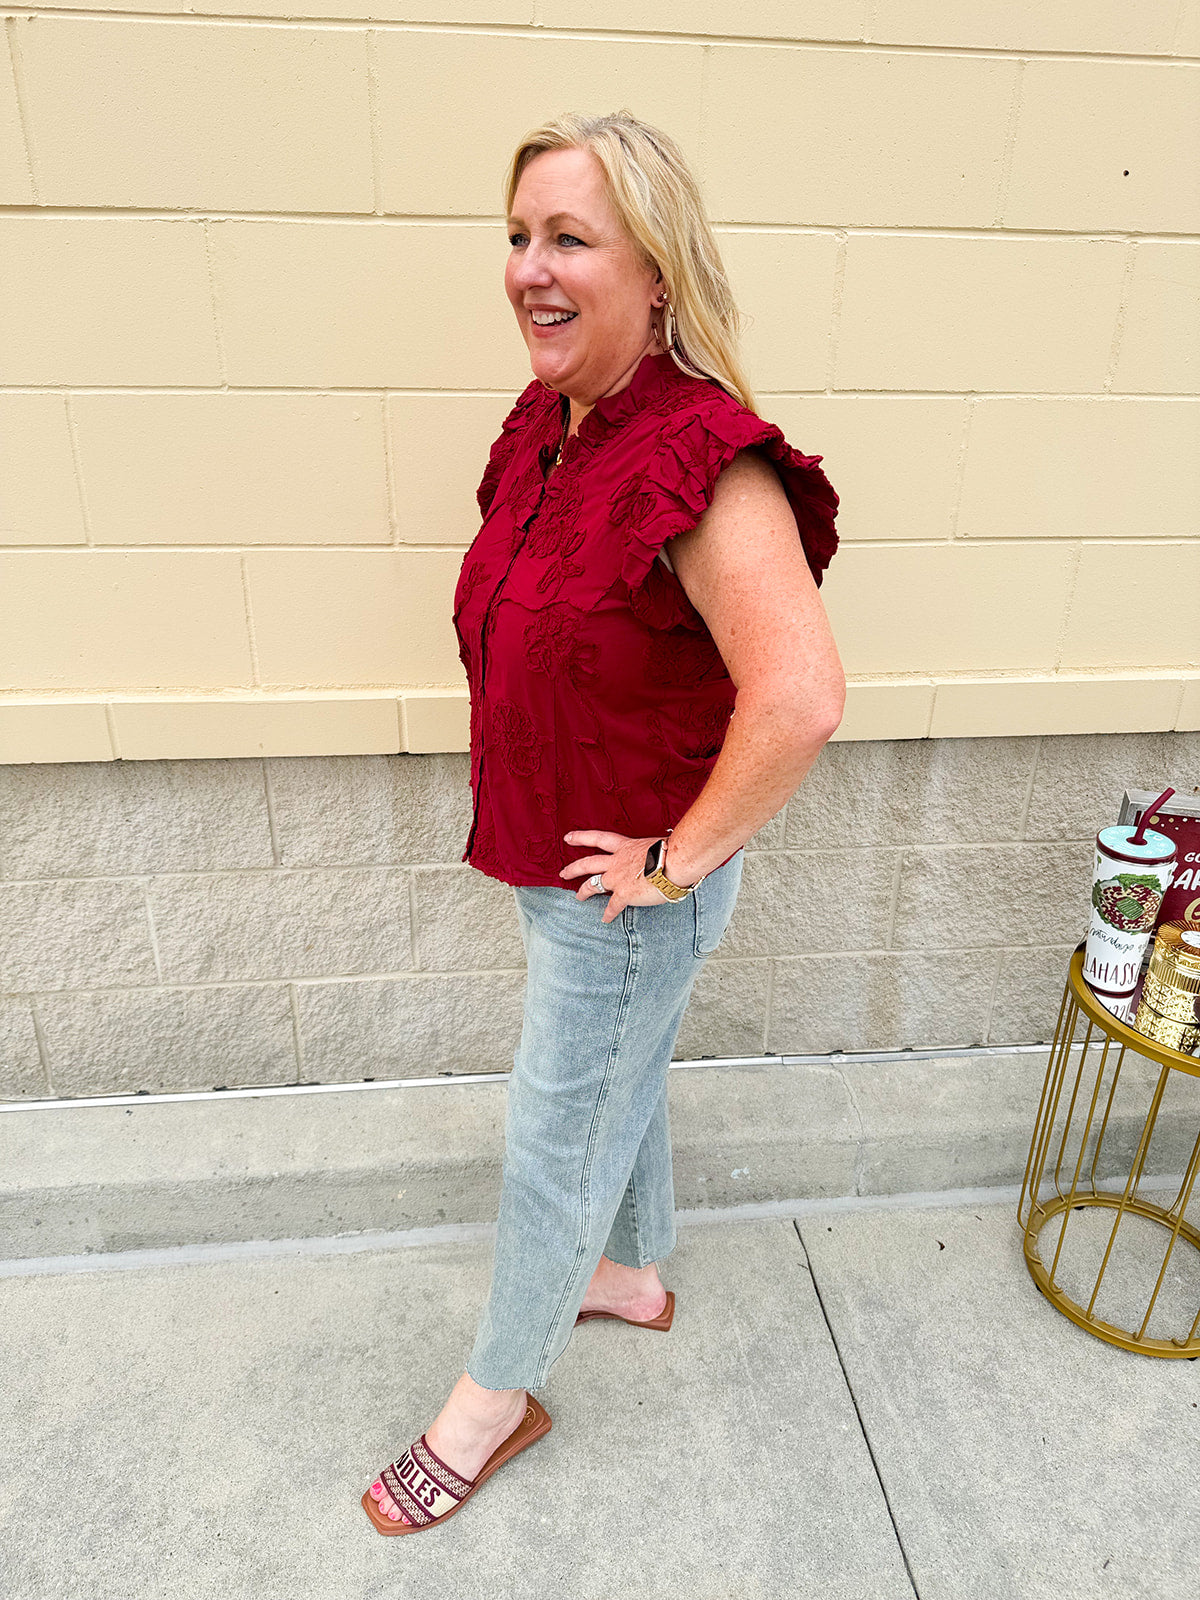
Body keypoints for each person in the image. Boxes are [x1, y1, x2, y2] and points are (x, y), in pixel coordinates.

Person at [362, 109, 844, 1536]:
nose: (530, 267)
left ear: (656, 271)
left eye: (570, 237)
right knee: (617, 1086)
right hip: (559, 857)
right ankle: (630, 1274)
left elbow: (800, 695)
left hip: (623, 894)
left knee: (552, 1136)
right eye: (519, 236)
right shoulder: (557, 423)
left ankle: (493, 1398)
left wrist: (676, 860)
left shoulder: (706, 460)